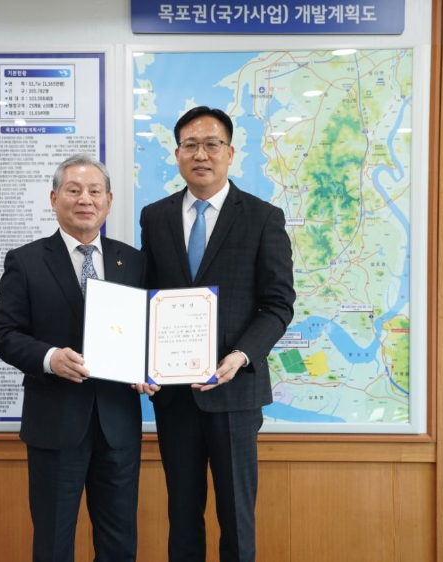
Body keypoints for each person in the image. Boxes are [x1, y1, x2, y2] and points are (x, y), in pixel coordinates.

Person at [139, 106, 296, 562]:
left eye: (211, 145)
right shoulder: (156, 216)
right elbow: (148, 297)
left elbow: (278, 303)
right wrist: (140, 359)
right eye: (190, 145)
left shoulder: (263, 217)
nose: (201, 154)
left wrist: (242, 355)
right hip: (174, 394)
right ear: (177, 154)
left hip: (235, 392)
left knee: (236, 516)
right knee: (182, 514)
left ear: (230, 153)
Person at [0, 153, 153, 562]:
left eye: (95, 191)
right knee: (53, 544)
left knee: (119, 545)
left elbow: (147, 330)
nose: (85, 199)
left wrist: (149, 368)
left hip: (118, 426)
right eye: (74, 190)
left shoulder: (133, 261)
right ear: (54, 198)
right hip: (55, 425)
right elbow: (5, 335)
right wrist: (49, 358)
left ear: (108, 201)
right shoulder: (25, 261)